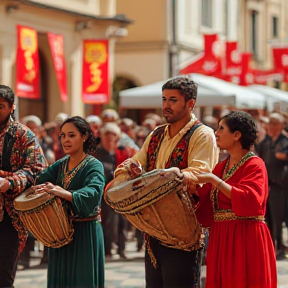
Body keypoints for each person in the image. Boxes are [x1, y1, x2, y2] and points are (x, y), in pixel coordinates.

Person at [113, 76, 219, 288]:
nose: (166, 105)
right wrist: (128, 170)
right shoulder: (156, 134)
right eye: (164, 99)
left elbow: (201, 172)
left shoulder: (203, 134)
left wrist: (173, 175)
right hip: (153, 230)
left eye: (173, 100)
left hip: (185, 231)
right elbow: (135, 161)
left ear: (190, 104)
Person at [194, 111, 277, 288]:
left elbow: (251, 199)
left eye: (221, 128)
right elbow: (204, 201)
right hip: (221, 237)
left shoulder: (255, 165)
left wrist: (213, 180)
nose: (216, 132)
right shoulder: (221, 167)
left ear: (237, 135)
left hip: (245, 237)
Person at [35, 116, 105, 288]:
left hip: (85, 233)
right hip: (60, 233)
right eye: (63, 135)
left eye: (71, 135)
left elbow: (93, 193)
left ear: (84, 136)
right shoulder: (60, 165)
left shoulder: (93, 165)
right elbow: (36, 181)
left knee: (83, 281)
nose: (66, 140)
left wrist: (64, 192)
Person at [0, 85, 47, 287]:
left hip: (9, 216)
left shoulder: (23, 135)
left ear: (12, 107)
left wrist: (9, 181)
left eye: (0, 106)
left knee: (4, 275)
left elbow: (37, 169)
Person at [93, 122, 132, 258]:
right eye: (107, 136)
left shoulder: (122, 152)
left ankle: (122, 249)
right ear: (102, 137)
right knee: (107, 221)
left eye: (113, 136)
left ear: (117, 137)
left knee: (123, 221)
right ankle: (107, 249)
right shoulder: (97, 154)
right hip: (105, 193)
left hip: (121, 192)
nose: (110, 139)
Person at [255, 112, 288, 259]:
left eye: (275, 123)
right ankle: (267, 246)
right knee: (265, 216)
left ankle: (279, 247)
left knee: (277, 217)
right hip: (265, 185)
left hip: (279, 186)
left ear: (281, 125)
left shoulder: (285, 141)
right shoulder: (266, 142)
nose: (272, 127)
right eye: (271, 123)